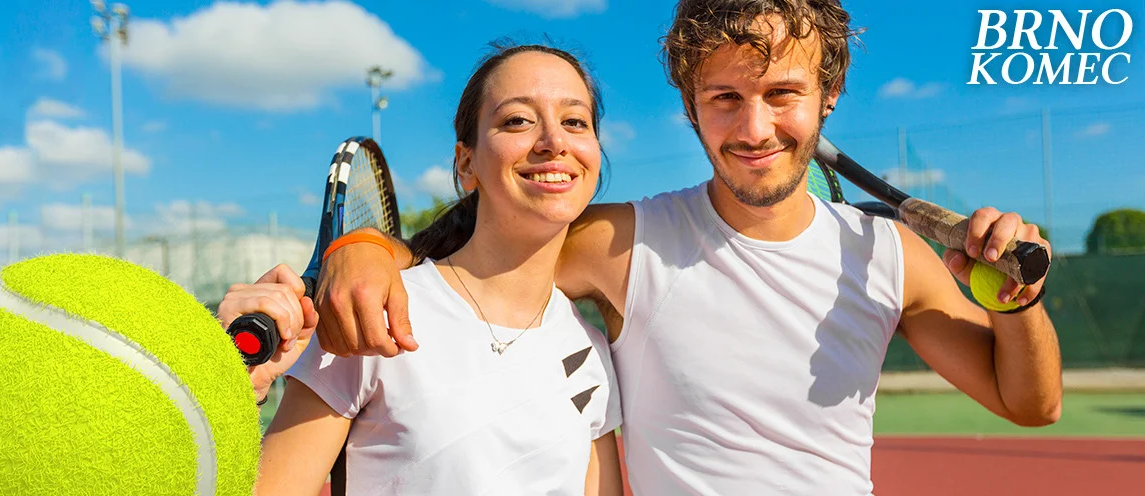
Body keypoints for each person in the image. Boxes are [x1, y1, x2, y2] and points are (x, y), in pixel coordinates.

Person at [314, 1, 1064, 494]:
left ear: (827, 95)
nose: (754, 129)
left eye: (782, 94)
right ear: (690, 107)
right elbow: (475, 258)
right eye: (725, 98)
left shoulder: (887, 254)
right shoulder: (622, 242)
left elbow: (1031, 402)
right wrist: (369, 248)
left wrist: (1017, 301)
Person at [217, 44, 624, 496]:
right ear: (466, 163)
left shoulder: (589, 348)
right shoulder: (371, 311)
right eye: (517, 120)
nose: (554, 141)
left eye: (575, 121)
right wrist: (242, 391)